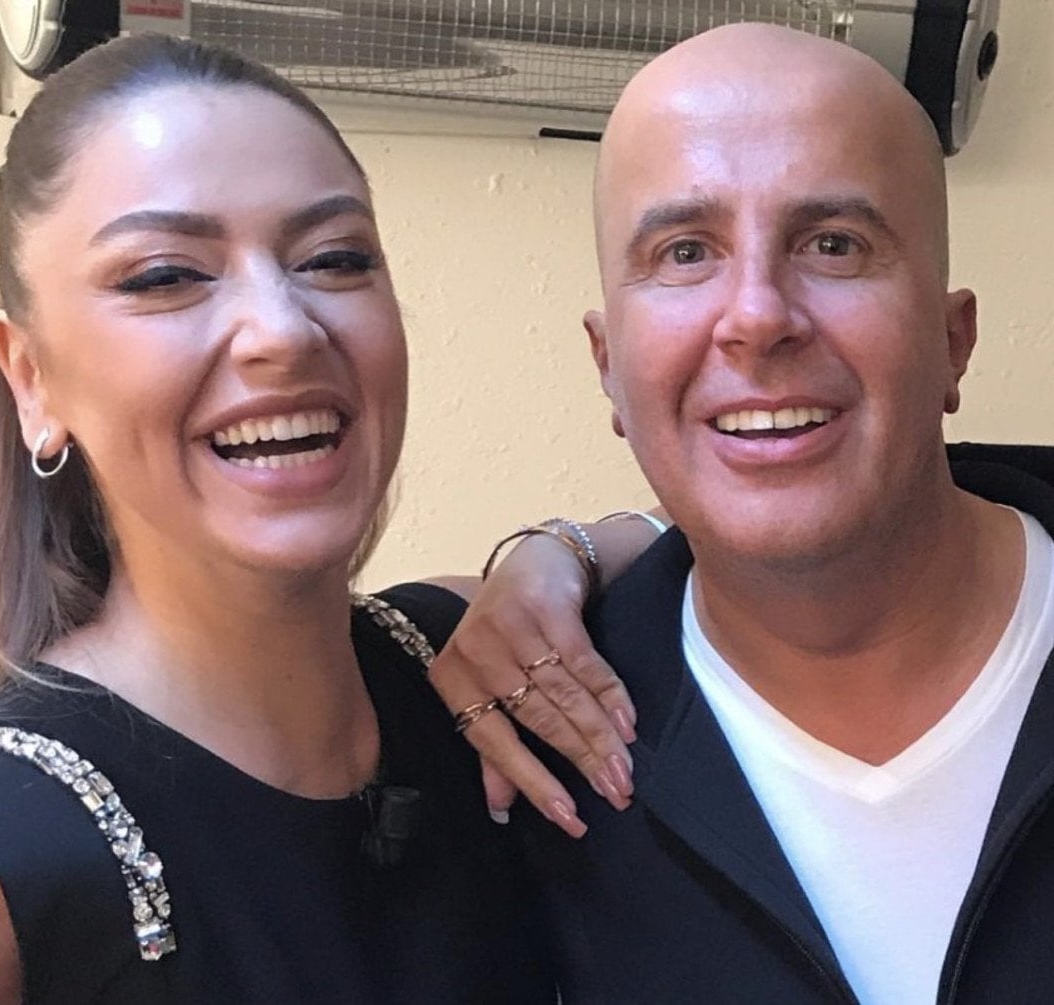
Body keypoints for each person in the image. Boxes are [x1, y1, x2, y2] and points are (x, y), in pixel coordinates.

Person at [0, 33, 658, 1003]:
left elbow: (712, 545)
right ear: (31, 377)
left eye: (335, 259)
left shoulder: (465, 665)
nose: (282, 329)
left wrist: (556, 556)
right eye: (165, 276)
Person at [429, 22, 1054, 1005]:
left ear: (953, 340)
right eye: (685, 252)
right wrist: (559, 551)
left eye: (834, 244)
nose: (758, 316)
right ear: (609, 366)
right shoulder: (526, 753)